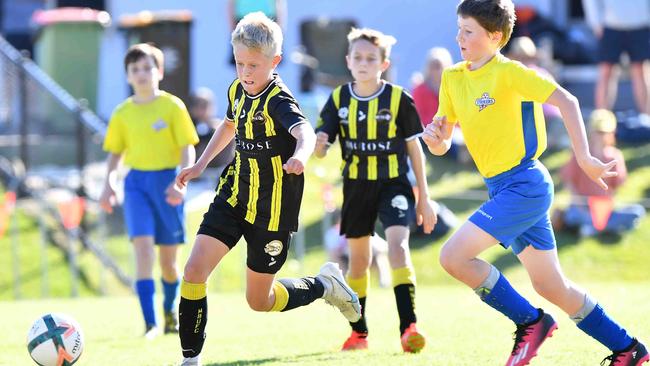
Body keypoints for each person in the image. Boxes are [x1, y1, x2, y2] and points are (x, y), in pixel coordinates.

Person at [422, 1, 649, 365]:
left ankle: (532, 322)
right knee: (550, 286)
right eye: (459, 29)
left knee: (453, 256)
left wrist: (586, 158)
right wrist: (437, 142)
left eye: (468, 31)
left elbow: (569, 101)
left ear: (495, 37)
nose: (458, 37)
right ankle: (628, 349)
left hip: (525, 185)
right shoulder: (452, 78)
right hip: (501, 188)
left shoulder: (511, 72)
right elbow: (444, 140)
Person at [174, 12, 361, 366]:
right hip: (233, 196)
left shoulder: (278, 100)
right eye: (240, 63)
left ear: (275, 62)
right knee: (194, 270)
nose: (245, 73)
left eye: (254, 66)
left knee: (259, 301)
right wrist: (200, 164)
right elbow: (228, 126)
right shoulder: (236, 89)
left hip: (272, 209)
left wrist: (302, 156)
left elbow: (303, 132)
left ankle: (325, 285)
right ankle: (190, 359)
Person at [315, 27, 437, 353]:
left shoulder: (399, 99)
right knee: (358, 263)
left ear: (384, 63)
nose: (364, 63)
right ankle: (359, 333)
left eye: (371, 58)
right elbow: (321, 144)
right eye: (358, 57)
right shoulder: (339, 99)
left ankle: (408, 328)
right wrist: (320, 144)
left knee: (397, 248)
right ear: (348, 61)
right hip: (355, 187)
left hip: (393, 184)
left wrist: (423, 197)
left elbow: (415, 150)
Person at [99, 43, 199, 339]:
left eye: (147, 68)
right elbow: (115, 154)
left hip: (168, 184)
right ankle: (150, 323)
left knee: (169, 263)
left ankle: (170, 313)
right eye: (135, 70)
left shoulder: (172, 107)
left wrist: (181, 182)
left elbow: (187, 148)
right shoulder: (122, 113)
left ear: (160, 72)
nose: (141, 74)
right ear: (128, 76)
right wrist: (109, 184)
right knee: (143, 251)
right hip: (136, 186)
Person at [559, 109, 646, 237]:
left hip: (603, 208)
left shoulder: (615, 156)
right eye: (598, 132)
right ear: (590, 131)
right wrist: (581, 206)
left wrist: (605, 206)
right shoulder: (581, 154)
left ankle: (593, 228)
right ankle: (602, 227)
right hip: (582, 207)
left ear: (612, 133)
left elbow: (617, 186)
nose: (601, 136)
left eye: (604, 132)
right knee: (572, 215)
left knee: (637, 211)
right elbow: (569, 181)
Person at [582, 0, 650, 123]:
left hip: (641, 24)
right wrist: (596, 23)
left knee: (641, 71)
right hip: (610, 25)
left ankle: (646, 120)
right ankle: (601, 121)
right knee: (606, 71)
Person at [506, 36, 569, 150]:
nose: (523, 61)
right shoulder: (540, 72)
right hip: (546, 120)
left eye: (525, 58)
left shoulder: (527, 75)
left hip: (546, 120)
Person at [188, 88, 235, 171]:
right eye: (197, 105)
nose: (201, 109)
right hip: (195, 175)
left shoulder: (221, 127)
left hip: (218, 172)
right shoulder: (189, 127)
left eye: (204, 106)